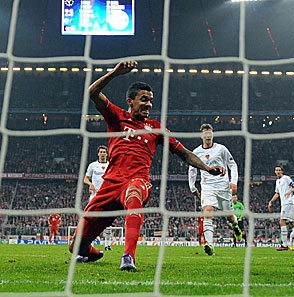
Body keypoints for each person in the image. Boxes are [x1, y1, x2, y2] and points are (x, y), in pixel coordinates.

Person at [68, 60, 225, 271]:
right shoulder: (117, 117)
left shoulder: (156, 129)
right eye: (144, 99)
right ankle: (91, 253)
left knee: (134, 194)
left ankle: (128, 257)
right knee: (76, 246)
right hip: (109, 185)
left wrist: (206, 168)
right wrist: (115, 73)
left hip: (137, 181)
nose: (149, 104)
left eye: (151, 101)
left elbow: (184, 153)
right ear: (130, 101)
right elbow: (92, 93)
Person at [188, 123, 242, 256]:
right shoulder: (196, 152)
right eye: (205, 134)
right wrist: (193, 186)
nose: (208, 136)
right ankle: (210, 245)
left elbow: (232, 164)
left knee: (229, 216)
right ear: (201, 136)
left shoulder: (221, 149)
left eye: (210, 133)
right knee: (207, 210)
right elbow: (192, 170)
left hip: (223, 187)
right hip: (207, 186)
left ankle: (236, 227)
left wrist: (233, 182)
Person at [84, 145, 113, 251]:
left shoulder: (110, 165)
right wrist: (90, 184)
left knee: (108, 221)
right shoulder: (92, 165)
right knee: (91, 219)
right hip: (94, 196)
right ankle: (91, 244)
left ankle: (107, 245)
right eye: (100, 152)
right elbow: (85, 178)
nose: (102, 153)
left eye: (104, 152)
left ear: (106, 154)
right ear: (98, 153)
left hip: (107, 196)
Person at [268, 165, 294, 251]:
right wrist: (271, 201)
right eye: (276, 170)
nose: (278, 171)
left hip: (288, 202)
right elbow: (277, 193)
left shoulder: (286, 178)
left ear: (282, 171)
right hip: (285, 203)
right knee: (291, 223)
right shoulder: (277, 181)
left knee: (282, 221)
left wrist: (289, 192)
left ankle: (284, 244)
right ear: (275, 172)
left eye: (279, 170)